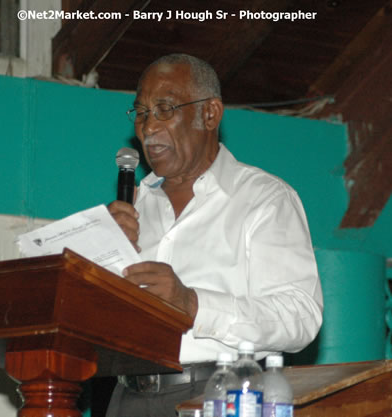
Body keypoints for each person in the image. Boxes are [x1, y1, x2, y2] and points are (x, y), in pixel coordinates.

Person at [106, 53, 323, 416]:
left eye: (164, 108)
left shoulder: (264, 199)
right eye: (141, 113)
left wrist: (194, 304)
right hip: (126, 398)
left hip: (222, 395)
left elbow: (300, 317)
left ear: (209, 114)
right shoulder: (130, 211)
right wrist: (102, 259)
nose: (148, 127)